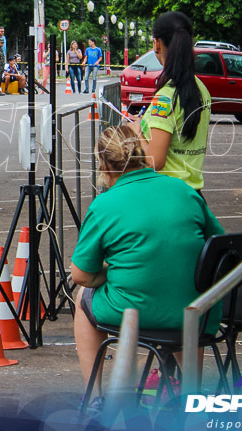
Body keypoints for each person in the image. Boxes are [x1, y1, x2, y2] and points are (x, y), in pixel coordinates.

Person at [71, 125, 223, 398]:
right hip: (196, 314)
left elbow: (81, 274)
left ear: (103, 164)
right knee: (180, 290)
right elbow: (220, 246)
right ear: (142, 154)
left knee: (83, 298)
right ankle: (191, 392)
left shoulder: (105, 204)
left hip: (133, 311)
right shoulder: (183, 189)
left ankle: (93, 396)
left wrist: (110, 272)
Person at [129, 11, 211, 193]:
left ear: (156, 44)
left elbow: (154, 161)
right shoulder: (201, 88)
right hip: (193, 194)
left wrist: (137, 131)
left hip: (167, 196)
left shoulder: (166, 97)